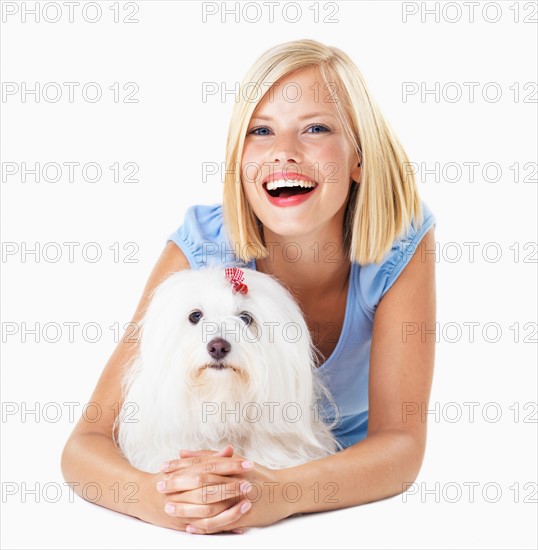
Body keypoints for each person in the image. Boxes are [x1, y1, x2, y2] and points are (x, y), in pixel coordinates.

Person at [61, 39, 437, 535]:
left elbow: (401, 447)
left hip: (339, 479)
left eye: (316, 128)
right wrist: (155, 500)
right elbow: (85, 443)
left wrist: (283, 493)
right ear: (239, 159)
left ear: (359, 159)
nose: (284, 151)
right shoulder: (200, 248)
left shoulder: (398, 243)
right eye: (261, 131)